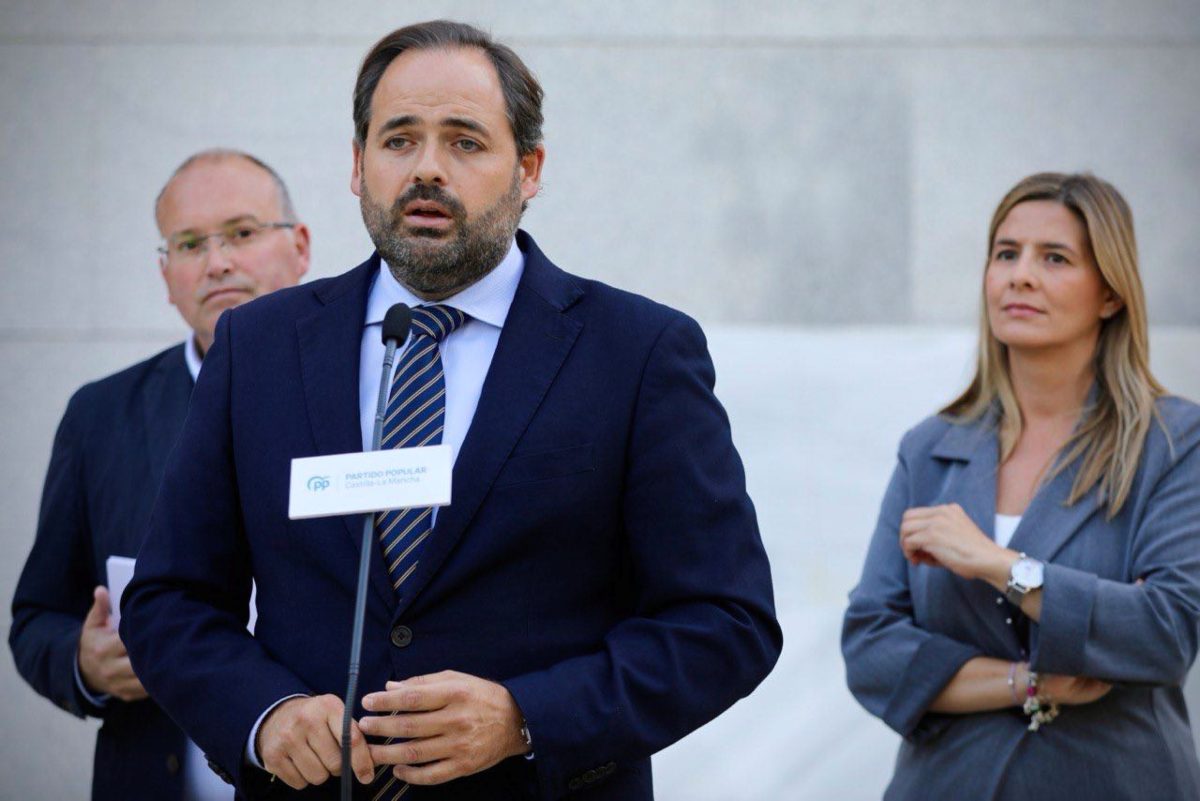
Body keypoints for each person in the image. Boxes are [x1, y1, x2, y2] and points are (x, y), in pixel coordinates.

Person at [120, 19, 781, 801]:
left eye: (465, 141)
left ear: (529, 169)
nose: (427, 168)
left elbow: (724, 621)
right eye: (399, 140)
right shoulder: (257, 349)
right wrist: (265, 715)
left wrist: (524, 716)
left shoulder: (636, 352)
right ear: (358, 165)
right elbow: (170, 600)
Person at [842, 172, 1200, 799]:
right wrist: (1030, 682)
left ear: (1111, 295)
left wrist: (999, 564)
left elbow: (1165, 633)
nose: (1021, 275)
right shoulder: (930, 449)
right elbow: (870, 650)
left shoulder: (1172, 442)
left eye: (1054, 258)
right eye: (1006, 253)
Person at [9, 149, 311, 801]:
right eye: (190, 243)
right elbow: (37, 616)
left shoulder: (376, 390)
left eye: (242, 232)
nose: (218, 261)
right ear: (166, 273)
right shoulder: (102, 414)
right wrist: (85, 662)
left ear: (301, 248)